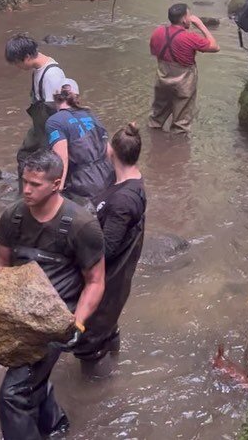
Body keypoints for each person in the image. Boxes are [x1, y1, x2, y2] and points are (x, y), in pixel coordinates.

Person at [0, 150, 105, 440]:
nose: (26, 189)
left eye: (35, 184)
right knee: (31, 380)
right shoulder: (13, 216)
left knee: (13, 395)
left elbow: (95, 281)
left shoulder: (82, 225)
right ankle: (54, 427)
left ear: (56, 184)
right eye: (24, 181)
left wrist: (77, 323)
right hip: (19, 315)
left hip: (56, 321)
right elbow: (3, 263)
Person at [74, 122, 147, 364]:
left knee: (92, 340)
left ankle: (94, 391)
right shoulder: (120, 180)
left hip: (109, 278)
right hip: (113, 280)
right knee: (107, 324)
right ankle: (111, 357)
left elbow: (108, 248)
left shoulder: (124, 201)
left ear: (110, 151)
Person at [4, 35, 69, 185]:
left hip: (51, 128)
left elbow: (60, 112)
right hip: (40, 125)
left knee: (41, 162)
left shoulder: (52, 75)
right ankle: (25, 193)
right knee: (24, 155)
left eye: (17, 62)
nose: (17, 66)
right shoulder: (38, 69)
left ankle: (35, 193)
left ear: (27, 57)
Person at [148, 3, 219, 135]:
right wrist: (201, 25)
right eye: (189, 15)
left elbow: (156, 53)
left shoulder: (157, 32)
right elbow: (215, 47)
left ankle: (154, 144)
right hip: (184, 82)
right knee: (181, 124)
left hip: (163, 78)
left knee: (156, 118)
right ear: (184, 20)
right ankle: (177, 151)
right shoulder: (190, 37)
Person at [45, 82, 114, 203]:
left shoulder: (54, 121)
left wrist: (57, 190)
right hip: (108, 175)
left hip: (83, 183)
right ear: (77, 98)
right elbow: (108, 148)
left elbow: (61, 158)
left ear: (54, 99)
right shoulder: (90, 114)